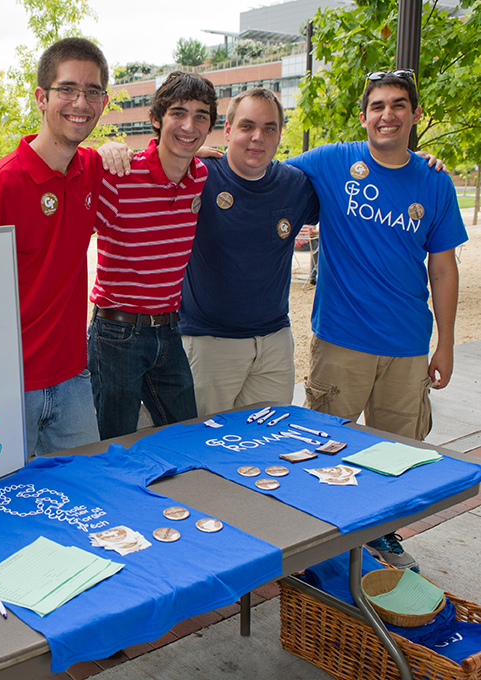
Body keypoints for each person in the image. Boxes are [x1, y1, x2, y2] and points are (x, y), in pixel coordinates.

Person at [288, 69, 467, 572]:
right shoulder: (332, 161)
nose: (387, 114)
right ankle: (319, 540)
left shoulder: (434, 181)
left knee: (396, 455)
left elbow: (443, 266)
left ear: (413, 115)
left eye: (398, 105)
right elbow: (258, 168)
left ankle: (382, 533)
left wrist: (445, 344)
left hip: (407, 346)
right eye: (378, 106)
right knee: (324, 448)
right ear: (364, 115)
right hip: (341, 342)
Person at [0, 37, 110, 457]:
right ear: (41, 98)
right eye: (67, 89)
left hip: (73, 378)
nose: (80, 102)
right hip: (9, 388)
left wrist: (200, 154)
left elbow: (154, 165)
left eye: (92, 91)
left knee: (88, 493)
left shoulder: (92, 168)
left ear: (103, 101)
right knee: (4, 507)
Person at [88, 72, 215, 440]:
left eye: (200, 116)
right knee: (114, 445)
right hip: (116, 334)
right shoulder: (121, 175)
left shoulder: (201, 176)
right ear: (157, 120)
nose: (189, 125)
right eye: (178, 113)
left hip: (170, 331)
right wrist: (102, 149)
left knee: (186, 438)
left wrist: (193, 150)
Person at [177, 88, 320, 416]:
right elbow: (144, 173)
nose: (258, 137)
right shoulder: (197, 175)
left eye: (269, 128)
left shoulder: (296, 185)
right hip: (208, 343)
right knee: (201, 447)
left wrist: (418, 164)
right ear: (227, 131)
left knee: (267, 444)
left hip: (274, 345)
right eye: (247, 126)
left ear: (280, 135)